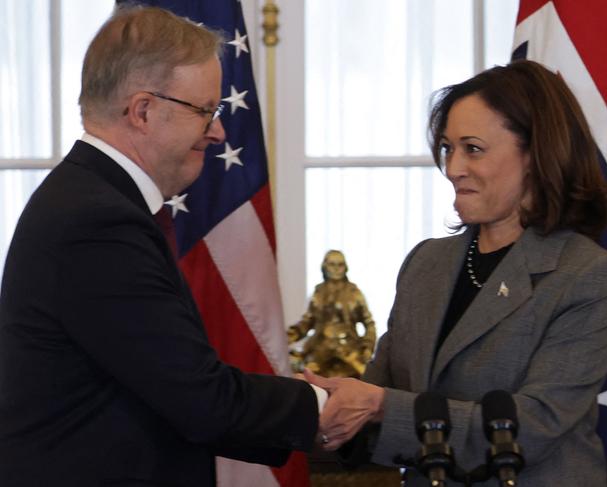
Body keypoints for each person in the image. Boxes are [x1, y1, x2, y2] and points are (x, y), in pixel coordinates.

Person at [0, 6, 361, 486]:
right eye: (205, 111)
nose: (219, 131)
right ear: (144, 110)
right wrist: (330, 405)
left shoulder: (91, 199)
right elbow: (201, 400)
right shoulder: (98, 221)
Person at [307, 60, 607, 486]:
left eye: (472, 148)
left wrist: (379, 404)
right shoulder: (425, 263)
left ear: (536, 153)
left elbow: (533, 427)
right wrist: (320, 408)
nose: (453, 167)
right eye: (447, 148)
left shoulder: (589, 274)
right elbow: (380, 394)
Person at [288, 250, 376, 378]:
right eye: (332, 264)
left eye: (340, 265)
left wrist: (367, 347)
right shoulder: (318, 293)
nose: (336, 269)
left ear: (345, 268)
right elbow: (307, 322)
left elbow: (369, 323)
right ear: (325, 267)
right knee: (302, 373)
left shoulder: (355, 293)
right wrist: (289, 336)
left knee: (368, 379)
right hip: (319, 351)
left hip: (349, 353)